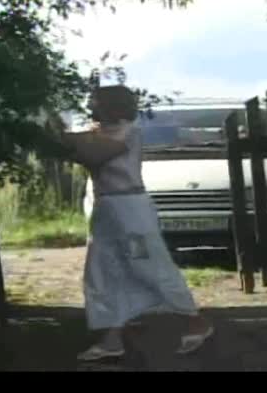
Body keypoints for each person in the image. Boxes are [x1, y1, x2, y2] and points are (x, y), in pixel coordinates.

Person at [48, 85, 213, 361]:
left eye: (95, 102)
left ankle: (195, 322)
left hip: (130, 212)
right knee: (105, 272)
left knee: (150, 266)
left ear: (112, 106)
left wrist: (58, 140)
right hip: (107, 210)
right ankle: (112, 339)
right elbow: (78, 145)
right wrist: (56, 137)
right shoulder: (98, 132)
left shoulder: (127, 132)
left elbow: (92, 154)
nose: (90, 106)